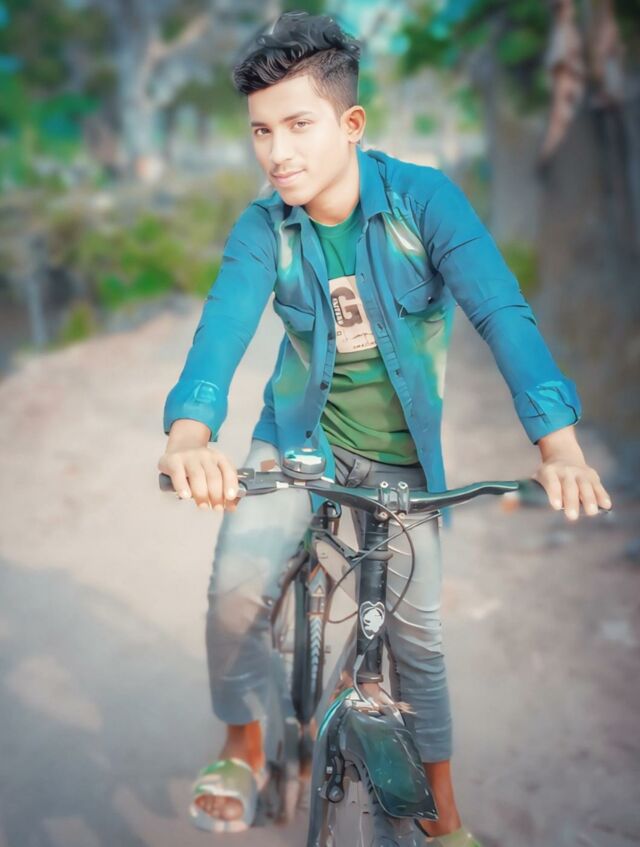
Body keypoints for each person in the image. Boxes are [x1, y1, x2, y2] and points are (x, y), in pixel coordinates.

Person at [157, 11, 612, 844]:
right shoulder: (264, 228)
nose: (277, 152)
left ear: (351, 123)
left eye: (298, 124)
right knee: (236, 588)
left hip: (405, 461)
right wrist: (191, 432)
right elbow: (221, 329)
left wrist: (559, 446)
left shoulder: (422, 203)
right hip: (297, 444)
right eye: (262, 131)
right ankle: (242, 744)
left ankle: (443, 816)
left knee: (419, 639)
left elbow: (501, 311)